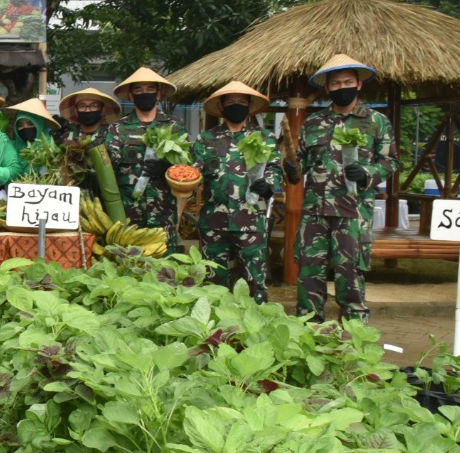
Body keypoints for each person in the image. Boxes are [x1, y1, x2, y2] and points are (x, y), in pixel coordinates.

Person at [285, 54, 395, 323]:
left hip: (353, 212)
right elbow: (300, 166)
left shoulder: (377, 121)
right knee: (310, 272)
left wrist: (367, 173)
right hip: (315, 211)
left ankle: (355, 336)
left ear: (358, 84)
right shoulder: (313, 123)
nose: (341, 87)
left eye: (347, 81)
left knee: (350, 274)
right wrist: (291, 171)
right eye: (335, 83)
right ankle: (308, 330)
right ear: (328, 88)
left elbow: (390, 161)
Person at [191, 82, 281, 303]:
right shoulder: (206, 139)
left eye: (241, 102)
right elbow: (194, 172)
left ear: (250, 106)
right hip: (213, 221)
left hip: (250, 220)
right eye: (230, 103)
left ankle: (258, 325)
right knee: (212, 279)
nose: (236, 106)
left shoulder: (264, 137)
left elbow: (275, 169)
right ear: (221, 107)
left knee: (254, 281)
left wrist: (268, 184)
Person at [105, 67, 186, 252]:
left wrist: (168, 168)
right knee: (128, 267)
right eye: (139, 90)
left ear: (158, 94)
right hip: (128, 213)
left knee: (165, 270)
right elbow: (109, 170)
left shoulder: (174, 127)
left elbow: (187, 168)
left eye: (150, 89)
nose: (145, 94)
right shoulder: (117, 129)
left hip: (163, 212)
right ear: (132, 96)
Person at [2, 97, 64, 175]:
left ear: (40, 125)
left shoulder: (52, 151)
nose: (25, 128)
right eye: (20, 125)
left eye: (30, 124)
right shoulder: (11, 148)